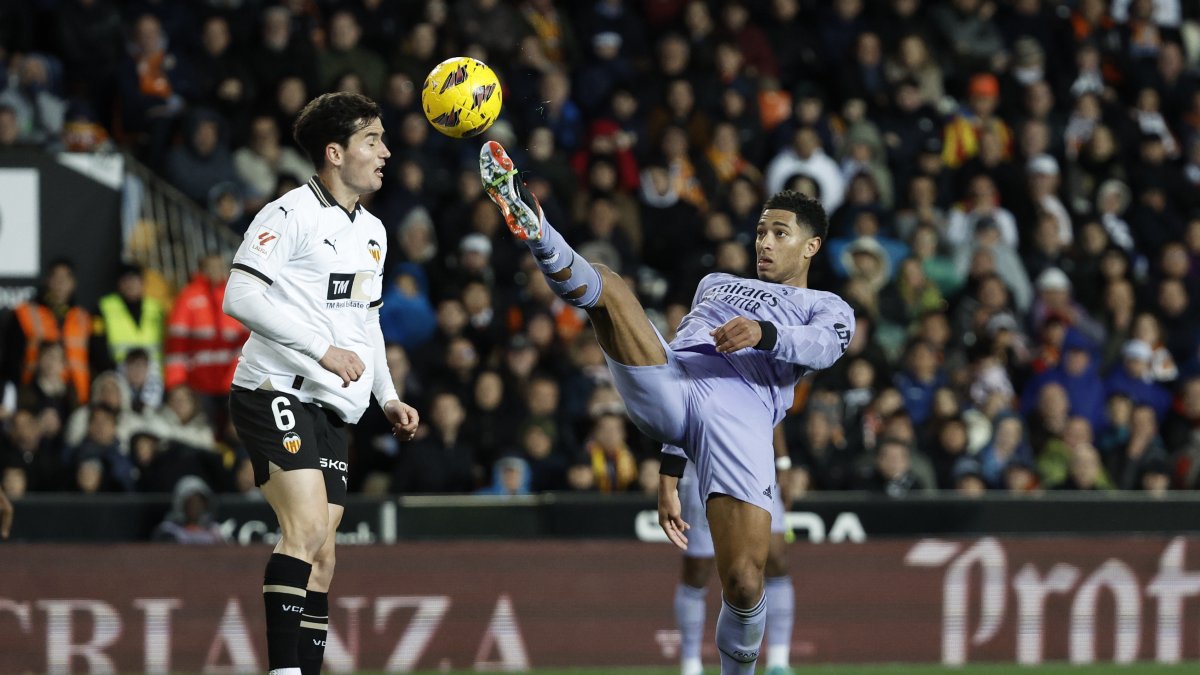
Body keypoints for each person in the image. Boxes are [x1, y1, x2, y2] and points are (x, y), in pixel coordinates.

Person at [480, 141, 853, 674]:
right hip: (676, 380)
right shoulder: (716, 283)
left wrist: (764, 332)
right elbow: (685, 343)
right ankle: (538, 229)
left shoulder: (825, 306)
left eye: (779, 233)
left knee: (744, 581)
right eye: (760, 232)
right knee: (610, 288)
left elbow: (825, 347)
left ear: (811, 246)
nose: (764, 243)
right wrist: (670, 470)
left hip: (740, 416)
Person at [222, 92, 419, 675]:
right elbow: (240, 296)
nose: (385, 152)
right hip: (274, 387)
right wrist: (321, 350)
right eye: (372, 140)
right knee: (305, 529)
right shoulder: (288, 214)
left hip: (333, 406)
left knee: (324, 558)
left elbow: (367, 322)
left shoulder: (374, 231)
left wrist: (387, 396)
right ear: (335, 153)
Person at [672, 426, 796, 675]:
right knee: (698, 569)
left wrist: (783, 463)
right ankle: (690, 664)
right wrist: (670, 475)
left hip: (757, 466)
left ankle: (779, 662)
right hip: (705, 466)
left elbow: (775, 415)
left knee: (776, 559)